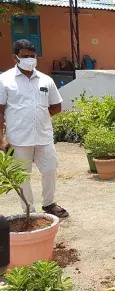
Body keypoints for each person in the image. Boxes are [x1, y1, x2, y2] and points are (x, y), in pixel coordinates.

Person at [0, 39, 68, 218]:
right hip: (18, 139)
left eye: (32, 56)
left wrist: (37, 118)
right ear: (16, 57)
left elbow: (56, 106)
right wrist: (1, 139)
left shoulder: (46, 80)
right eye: (25, 56)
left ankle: (49, 203)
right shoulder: (5, 80)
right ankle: (29, 211)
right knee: (23, 177)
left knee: (50, 169)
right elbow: (0, 111)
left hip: (43, 136)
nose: (29, 59)